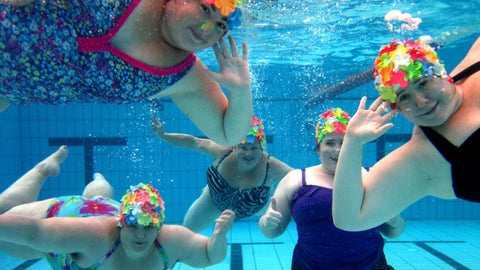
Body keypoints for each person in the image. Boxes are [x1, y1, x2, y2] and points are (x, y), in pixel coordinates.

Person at [0, 0, 252, 146]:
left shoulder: (186, 77)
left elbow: (228, 135)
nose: (206, 29)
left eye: (220, 26)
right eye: (205, 9)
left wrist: (240, 92)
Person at [332, 37, 480, 232]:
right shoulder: (423, 157)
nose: (421, 101)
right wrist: (352, 141)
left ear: (440, 73)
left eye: (422, 83)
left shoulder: (474, 64)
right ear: (398, 108)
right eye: (404, 97)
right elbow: (349, 219)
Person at [0, 150, 235, 269]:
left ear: (158, 225)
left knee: (101, 197)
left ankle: (99, 179)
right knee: (5, 217)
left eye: (148, 227)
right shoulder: (95, 237)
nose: (141, 235)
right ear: (122, 223)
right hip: (69, 215)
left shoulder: (170, 240)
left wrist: (218, 236)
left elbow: (209, 255)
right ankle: (43, 169)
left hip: (106, 209)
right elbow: (35, 233)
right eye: (133, 226)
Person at [259, 108, 405, 270]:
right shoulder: (296, 179)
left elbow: (393, 232)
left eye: (344, 142)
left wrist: (395, 221)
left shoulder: (372, 177)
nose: (338, 150)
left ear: (353, 145)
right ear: (318, 147)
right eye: (330, 143)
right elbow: (271, 232)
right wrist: (267, 222)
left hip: (370, 266)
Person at [151, 114, 293, 232]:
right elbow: (194, 142)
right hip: (213, 202)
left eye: (254, 148)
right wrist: (163, 135)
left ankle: (269, 187)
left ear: (260, 147)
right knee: (187, 232)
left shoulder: (271, 166)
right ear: (236, 146)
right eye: (243, 148)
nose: (248, 154)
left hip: (258, 206)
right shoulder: (222, 152)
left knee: (274, 222)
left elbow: (300, 179)